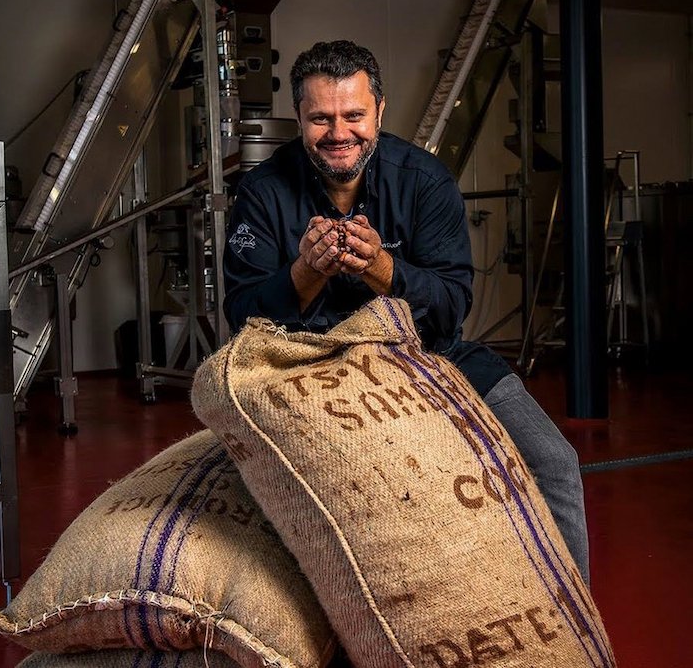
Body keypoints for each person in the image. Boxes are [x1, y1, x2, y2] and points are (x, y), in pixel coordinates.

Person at [222, 39, 590, 584]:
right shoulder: (261, 192)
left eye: (354, 115)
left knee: (556, 464)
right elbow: (242, 317)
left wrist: (382, 270)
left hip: (428, 354)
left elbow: (450, 307)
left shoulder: (425, 180)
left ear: (380, 111)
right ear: (299, 117)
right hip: (312, 367)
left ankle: (568, 628)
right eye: (320, 119)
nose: (339, 134)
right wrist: (306, 271)